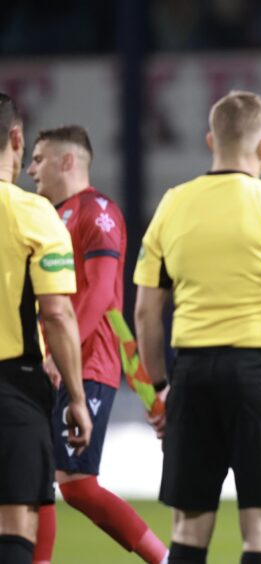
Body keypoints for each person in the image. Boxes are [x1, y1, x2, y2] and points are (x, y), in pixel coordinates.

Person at [134, 90, 261, 564]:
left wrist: (159, 389)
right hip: (259, 375)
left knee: (188, 529)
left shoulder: (172, 205)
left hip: (191, 375)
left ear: (211, 140)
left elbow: (145, 314)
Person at [26, 125, 168, 564]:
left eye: (39, 159)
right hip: (50, 362)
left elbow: (104, 292)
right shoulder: (47, 217)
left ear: (67, 161)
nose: (30, 169)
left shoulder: (97, 211)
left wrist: (60, 352)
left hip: (85, 363)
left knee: (77, 486)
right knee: (35, 481)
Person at [0, 93, 92, 563]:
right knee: (15, 528)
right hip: (12, 388)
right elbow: (56, 313)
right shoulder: (34, 214)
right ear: (16, 138)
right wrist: (76, 397)